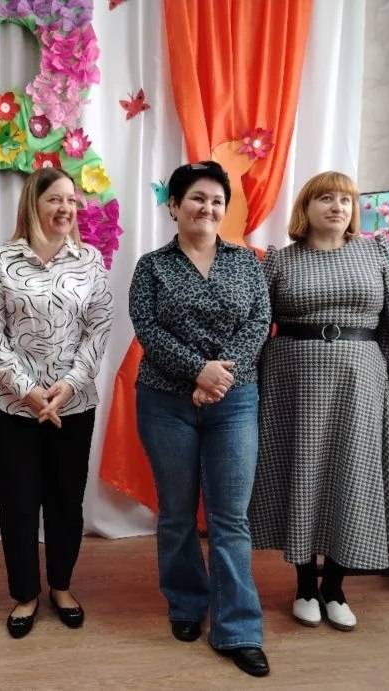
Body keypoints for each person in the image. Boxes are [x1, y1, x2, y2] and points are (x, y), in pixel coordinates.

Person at [249, 171, 389, 632]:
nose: (337, 206)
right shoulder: (280, 260)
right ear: (306, 207)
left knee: (351, 477)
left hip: (360, 381)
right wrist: (250, 385)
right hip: (291, 385)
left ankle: (336, 587)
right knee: (300, 474)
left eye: (345, 199)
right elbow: (256, 325)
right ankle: (305, 585)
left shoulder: (377, 253)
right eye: (325, 198)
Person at [130, 161, 271, 678]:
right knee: (176, 512)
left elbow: (259, 322)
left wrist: (218, 380)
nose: (207, 208)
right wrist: (198, 370)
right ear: (174, 206)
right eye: (196, 198)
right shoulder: (152, 267)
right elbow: (147, 329)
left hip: (234, 401)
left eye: (216, 200)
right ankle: (186, 603)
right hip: (165, 402)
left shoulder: (247, 262)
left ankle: (238, 628)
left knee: (230, 516)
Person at [0, 167, 113, 639]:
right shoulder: (0, 260)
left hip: (73, 405)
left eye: (72, 200)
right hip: (12, 407)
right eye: (55, 199)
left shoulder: (89, 261)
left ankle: (61, 586)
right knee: (17, 501)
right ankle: (24, 594)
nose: (65, 208)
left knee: (65, 499)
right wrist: (28, 391)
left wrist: (68, 386)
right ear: (33, 204)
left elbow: (98, 329)